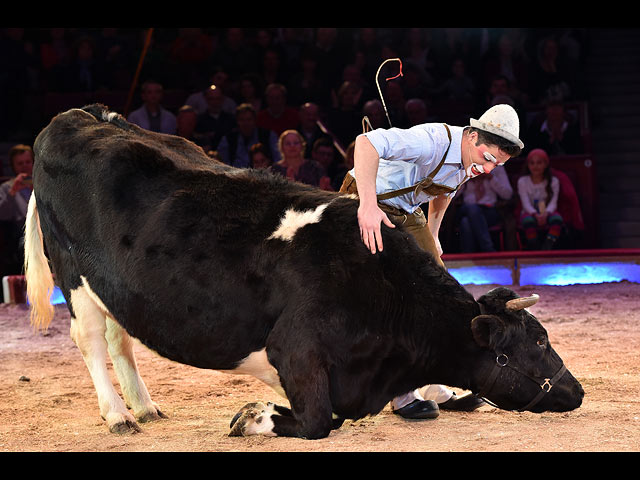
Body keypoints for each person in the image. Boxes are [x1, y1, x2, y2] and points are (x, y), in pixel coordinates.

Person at [339, 104, 524, 419]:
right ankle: (401, 392)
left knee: (441, 292)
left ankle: (434, 383)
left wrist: (433, 236)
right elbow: (366, 143)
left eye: (498, 164)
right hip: (366, 199)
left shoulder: (470, 160)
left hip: (406, 210)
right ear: (472, 136)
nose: (490, 169)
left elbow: (444, 191)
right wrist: (367, 205)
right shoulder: (432, 140)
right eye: (489, 158)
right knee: (400, 296)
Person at [456, 166, 513, 253]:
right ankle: (488, 250)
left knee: (466, 222)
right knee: (472, 209)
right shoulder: (465, 167)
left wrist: (491, 178)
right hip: (466, 208)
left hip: (489, 211)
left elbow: (508, 194)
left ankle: (468, 258)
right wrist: (465, 179)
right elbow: (451, 196)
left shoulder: (497, 168)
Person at [517, 148, 564, 250]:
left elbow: (553, 202)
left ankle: (548, 246)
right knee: (528, 221)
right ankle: (534, 248)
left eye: (539, 163)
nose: (535, 166)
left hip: (547, 211)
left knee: (557, 219)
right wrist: (535, 214)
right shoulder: (522, 181)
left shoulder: (553, 181)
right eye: (532, 163)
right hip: (530, 212)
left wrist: (546, 213)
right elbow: (525, 203)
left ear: (545, 164)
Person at [0, 144, 34, 276]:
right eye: (20, 163)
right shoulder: (7, 188)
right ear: (13, 166)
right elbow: (2, 215)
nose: (25, 166)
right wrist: (12, 192)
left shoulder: (42, 184)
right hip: (21, 232)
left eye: (28, 162)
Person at [217, 103, 280, 168]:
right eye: (242, 120)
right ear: (237, 121)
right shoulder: (228, 140)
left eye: (249, 119)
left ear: (255, 120)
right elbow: (222, 164)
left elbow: (278, 161)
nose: (246, 124)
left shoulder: (268, 136)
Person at [193, 84, 237, 153]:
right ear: (206, 99)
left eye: (217, 99)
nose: (215, 102)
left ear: (222, 99)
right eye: (211, 99)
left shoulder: (231, 119)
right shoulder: (199, 121)